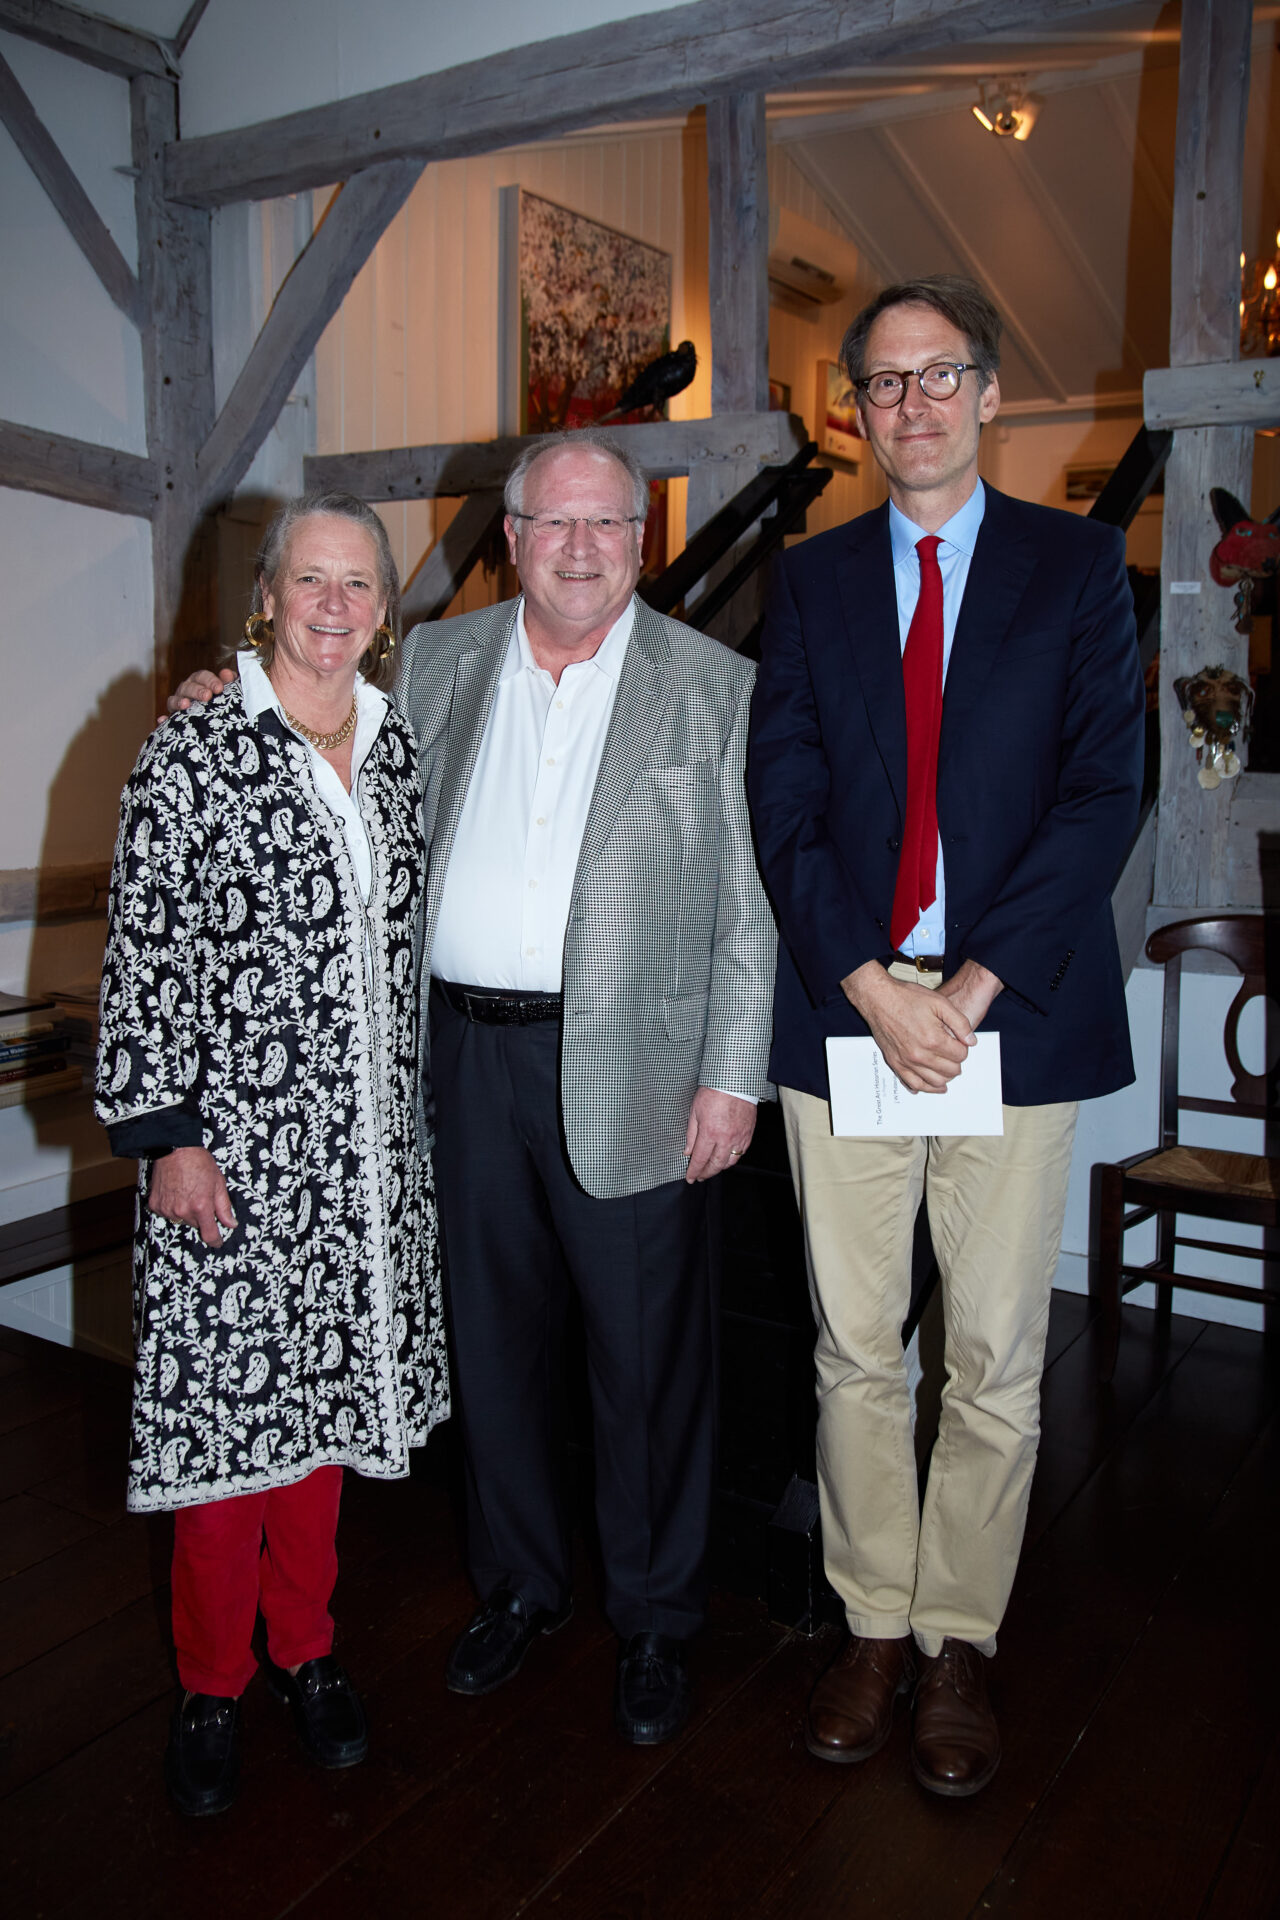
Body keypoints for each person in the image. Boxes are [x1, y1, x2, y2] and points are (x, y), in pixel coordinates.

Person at [170, 429, 776, 1747]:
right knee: (490, 1349)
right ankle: (518, 1586)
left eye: (605, 525)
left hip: (640, 1067)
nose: (577, 547)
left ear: (640, 540)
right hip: (454, 1065)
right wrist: (221, 692)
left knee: (648, 1366)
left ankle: (660, 1617)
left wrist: (735, 1076)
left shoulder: (715, 685)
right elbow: (310, 717)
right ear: (510, 539)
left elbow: (752, 905)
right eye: (551, 524)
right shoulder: (437, 662)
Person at [747, 276, 1143, 1797]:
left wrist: (964, 993)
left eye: (940, 376)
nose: (911, 405)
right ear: (858, 409)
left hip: (1009, 1014)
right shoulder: (816, 577)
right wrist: (871, 983)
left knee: (991, 1353)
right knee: (856, 1347)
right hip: (847, 1012)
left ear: (989, 393)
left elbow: (1102, 797)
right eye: (885, 382)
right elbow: (781, 800)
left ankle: (957, 1637)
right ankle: (870, 1620)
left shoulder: (1078, 564)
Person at [98, 492, 448, 1818]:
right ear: (268, 595)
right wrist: (170, 1141)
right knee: (223, 1429)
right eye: (314, 580)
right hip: (233, 1158)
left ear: (384, 608)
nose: (338, 604)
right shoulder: (193, 750)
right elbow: (145, 956)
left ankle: (306, 1654)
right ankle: (211, 1685)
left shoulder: (399, 744)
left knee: (317, 1432)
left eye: (361, 584)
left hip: (362, 1163)